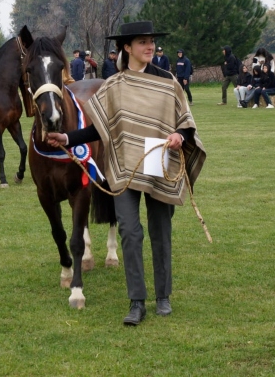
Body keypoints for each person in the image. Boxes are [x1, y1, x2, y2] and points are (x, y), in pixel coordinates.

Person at [46, 21, 206, 326]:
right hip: (124, 166)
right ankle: (136, 302)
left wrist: (179, 137)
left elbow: (185, 123)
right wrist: (68, 139)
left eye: (151, 42)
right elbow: (98, 128)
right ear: (127, 48)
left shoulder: (168, 82)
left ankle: (163, 297)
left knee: (160, 231)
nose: (150, 47)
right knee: (130, 233)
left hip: (159, 162)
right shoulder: (114, 85)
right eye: (143, 42)